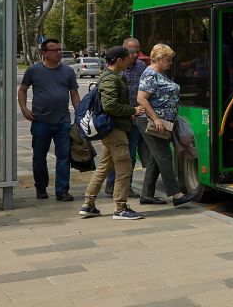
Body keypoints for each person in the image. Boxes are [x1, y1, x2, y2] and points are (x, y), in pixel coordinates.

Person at [79, 46, 146, 220]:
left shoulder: (112, 77)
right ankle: (121, 208)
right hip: (115, 130)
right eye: (126, 58)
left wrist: (129, 112)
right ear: (118, 60)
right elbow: (110, 106)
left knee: (104, 167)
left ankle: (88, 204)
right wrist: (133, 109)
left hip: (112, 128)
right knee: (124, 168)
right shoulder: (110, 79)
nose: (130, 60)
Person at [19, 38, 80, 201]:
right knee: (39, 157)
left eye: (60, 49)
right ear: (44, 53)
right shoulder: (34, 70)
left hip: (63, 122)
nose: (59, 52)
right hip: (40, 121)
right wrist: (24, 109)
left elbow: (74, 94)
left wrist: (80, 115)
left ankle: (62, 191)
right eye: (54, 50)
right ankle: (41, 188)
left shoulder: (68, 71)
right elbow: (23, 90)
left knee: (64, 156)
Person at [136, 44, 194, 207]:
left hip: (163, 122)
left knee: (156, 157)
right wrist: (155, 119)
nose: (170, 63)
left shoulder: (159, 73)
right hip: (152, 122)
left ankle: (147, 194)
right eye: (168, 60)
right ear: (159, 59)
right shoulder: (150, 74)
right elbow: (141, 99)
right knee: (165, 155)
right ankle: (176, 194)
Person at [104, 37, 148, 198]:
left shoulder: (142, 66)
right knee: (114, 154)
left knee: (130, 153)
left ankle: (126, 186)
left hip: (135, 118)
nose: (135, 55)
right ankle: (111, 184)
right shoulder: (114, 68)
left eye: (138, 51)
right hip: (118, 119)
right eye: (132, 52)